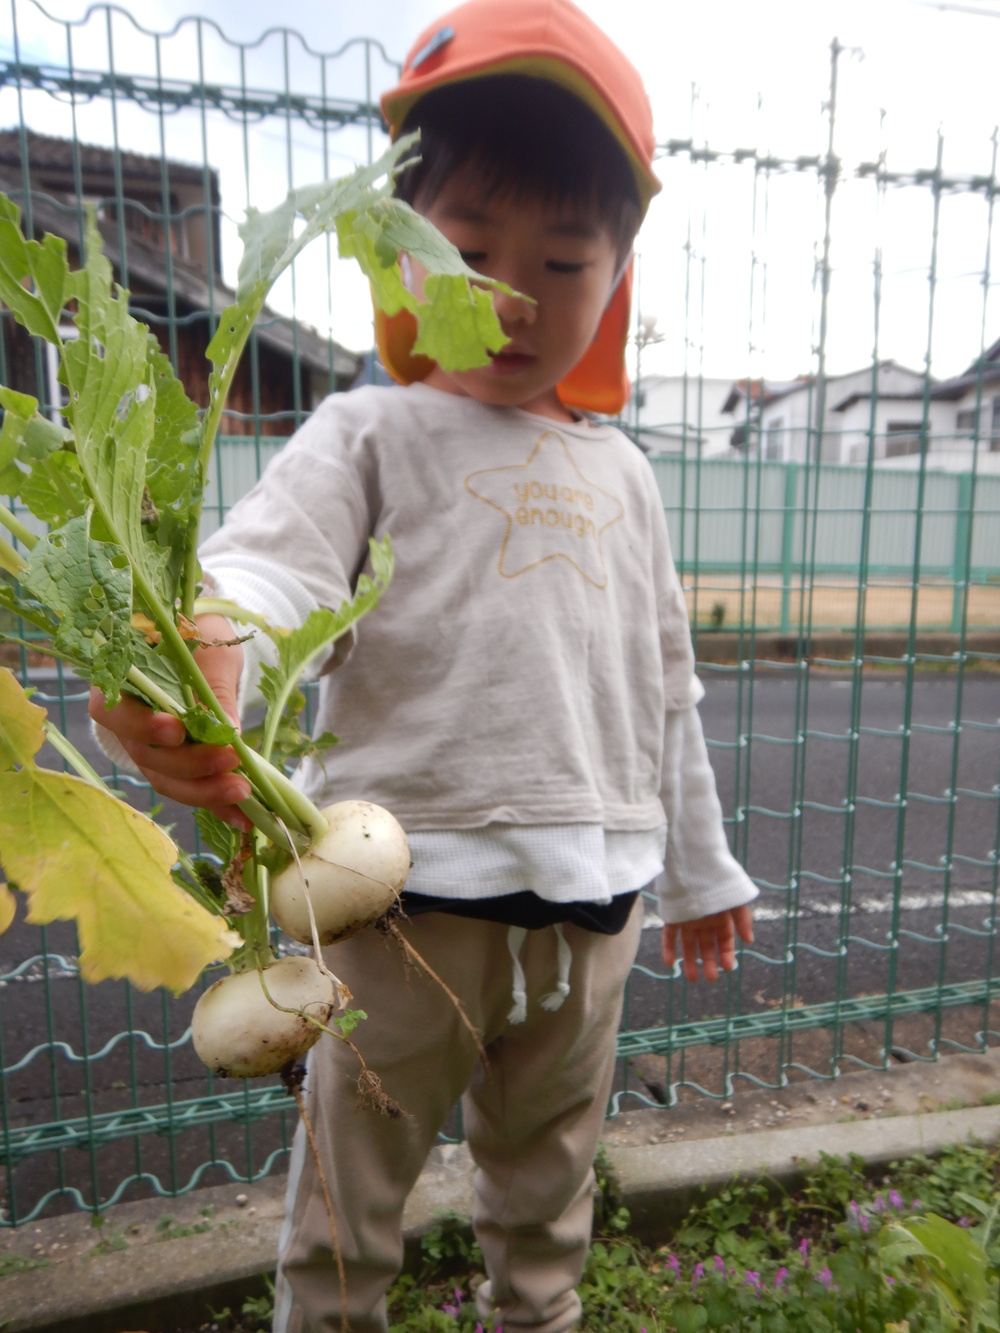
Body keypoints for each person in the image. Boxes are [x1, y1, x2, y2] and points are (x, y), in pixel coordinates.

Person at [90, 2, 757, 1330]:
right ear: (397, 254)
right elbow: (267, 569)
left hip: (596, 913)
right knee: (349, 1204)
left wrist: (700, 864)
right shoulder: (370, 433)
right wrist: (206, 639)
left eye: (565, 261)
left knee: (549, 1196)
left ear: (616, 278)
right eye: (467, 251)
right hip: (396, 910)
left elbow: (661, 690)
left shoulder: (625, 471)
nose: (514, 296)